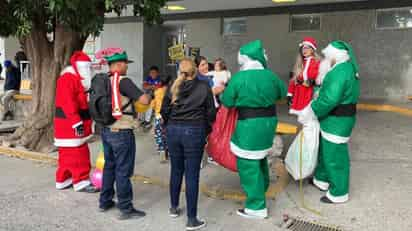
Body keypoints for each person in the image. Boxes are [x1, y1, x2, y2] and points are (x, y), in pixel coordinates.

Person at [221, 40, 287, 219]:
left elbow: (227, 101)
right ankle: (262, 188)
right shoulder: (271, 76)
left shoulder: (239, 77)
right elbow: (283, 93)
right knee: (260, 157)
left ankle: (256, 207)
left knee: (248, 164)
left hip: (249, 124)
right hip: (268, 123)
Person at [161, 58, 216, 230]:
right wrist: (205, 130)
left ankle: (174, 207)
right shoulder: (204, 86)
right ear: (196, 71)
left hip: (173, 131)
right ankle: (192, 219)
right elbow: (211, 113)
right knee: (192, 174)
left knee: (176, 170)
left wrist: (171, 125)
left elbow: (164, 111)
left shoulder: (173, 87)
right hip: (194, 131)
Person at [302, 41, 360, 204]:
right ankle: (321, 180)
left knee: (335, 156)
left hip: (337, 121)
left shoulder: (340, 71)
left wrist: (312, 109)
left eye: (328, 56)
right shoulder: (344, 68)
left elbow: (330, 99)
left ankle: (339, 192)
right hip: (335, 120)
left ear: (335, 56)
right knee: (326, 151)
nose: (325, 59)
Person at [98, 50, 151, 220]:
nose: (127, 66)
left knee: (109, 167)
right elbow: (144, 100)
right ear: (119, 64)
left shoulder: (104, 80)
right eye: (126, 63)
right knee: (123, 171)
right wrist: (149, 94)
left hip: (106, 130)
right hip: (121, 131)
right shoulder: (123, 81)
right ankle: (126, 208)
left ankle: (105, 201)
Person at [54, 51, 98, 193]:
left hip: (69, 124)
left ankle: (63, 179)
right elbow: (68, 103)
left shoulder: (73, 79)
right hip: (71, 124)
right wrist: (76, 122)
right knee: (79, 153)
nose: (89, 71)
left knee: (67, 154)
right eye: (87, 67)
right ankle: (81, 181)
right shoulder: (68, 79)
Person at [287, 37, 320, 116]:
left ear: (312, 49)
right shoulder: (300, 64)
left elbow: (323, 79)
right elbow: (293, 80)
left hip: (310, 94)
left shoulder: (318, 63)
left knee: (311, 118)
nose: (304, 50)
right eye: (303, 48)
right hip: (300, 94)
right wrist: (290, 94)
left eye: (307, 48)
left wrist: (315, 82)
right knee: (302, 119)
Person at [151, 75, 171, 163]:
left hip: (158, 116)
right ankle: (168, 152)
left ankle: (163, 154)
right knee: (167, 135)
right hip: (168, 117)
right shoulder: (170, 92)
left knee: (159, 135)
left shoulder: (157, 91)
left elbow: (153, 104)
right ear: (169, 82)